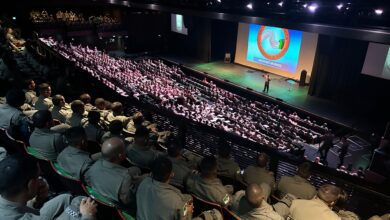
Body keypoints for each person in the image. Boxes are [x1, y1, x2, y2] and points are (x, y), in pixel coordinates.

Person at [0, 154, 97, 220]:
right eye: (38, 177)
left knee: (66, 198)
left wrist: (34, 202)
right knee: (76, 210)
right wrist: (88, 215)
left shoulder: (7, 199)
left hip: (33, 212)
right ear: (30, 185)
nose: (41, 180)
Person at [84, 137, 142, 207]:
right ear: (120, 156)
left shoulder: (93, 166)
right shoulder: (126, 178)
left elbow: (88, 182)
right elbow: (128, 202)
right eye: (124, 149)